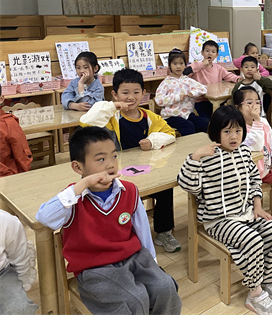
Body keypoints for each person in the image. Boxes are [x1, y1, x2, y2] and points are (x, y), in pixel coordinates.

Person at [36, 127, 181, 314]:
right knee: (134, 299)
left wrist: (153, 264)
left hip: (134, 257)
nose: (111, 164)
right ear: (78, 167)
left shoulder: (129, 190)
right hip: (94, 268)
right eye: (101, 159)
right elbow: (44, 217)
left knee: (165, 287)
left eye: (114, 156)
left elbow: (143, 230)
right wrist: (83, 184)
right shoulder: (73, 197)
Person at [178, 106, 272, 315]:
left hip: (246, 213)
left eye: (238, 131)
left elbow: (255, 180)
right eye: (227, 131)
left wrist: (257, 205)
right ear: (216, 132)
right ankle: (255, 293)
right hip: (219, 220)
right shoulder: (206, 157)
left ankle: (268, 280)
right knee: (252, 240)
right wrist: (195, 156)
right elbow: (188, 185)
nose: (233, 136)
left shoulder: (244, 153)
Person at [80, 68, 181, 253]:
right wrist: (112, 107)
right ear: (115, 94)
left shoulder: (149, 117)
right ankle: (127, 235)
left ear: (144, 93)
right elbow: (86, 122)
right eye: (125, 92)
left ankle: (164, 231)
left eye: (136, 92)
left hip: (145, 169)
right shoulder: (112, 117)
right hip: (118, 173)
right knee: (124, 196)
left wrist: (153, 141)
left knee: (165, 188)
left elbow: (170, 133)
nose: (131, 97)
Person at [235, 87, 272, 235]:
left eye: (257, 102)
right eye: (249, 103)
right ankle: (251, 217)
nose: (254, 106)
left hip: (266, 168)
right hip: (247, 175)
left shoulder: (263, 121)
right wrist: (256, 121)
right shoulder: (237, 128)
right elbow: (255, 145)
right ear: (238, 107)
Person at [185, 40, 242, 131]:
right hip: (201, 101)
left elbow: (228, 76)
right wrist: (201, 64)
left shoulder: (218, 68)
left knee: (225, 118)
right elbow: (185, 73)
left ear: (216, 55)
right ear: (202, 52)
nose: (210, 53)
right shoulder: (197, 66)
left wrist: (237, 79)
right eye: (207, 51)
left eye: (213, 52)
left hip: (217, 99)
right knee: (206, 121)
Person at [154, 48, 208, 136]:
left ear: (185, 65)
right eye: (175, 63)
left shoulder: (187, 80)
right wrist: (177, 97)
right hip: (171, 116)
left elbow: (203, 88)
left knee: (203, 123)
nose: (178, 66)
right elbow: (159, 100)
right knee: (188, 126)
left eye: (181, 63)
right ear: (169, 65)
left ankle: (201, 143)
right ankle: (190, 144)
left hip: (186, 114)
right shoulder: (166, 82)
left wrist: (193, 93)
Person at [0, 210, 38, 315]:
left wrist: (23, 286)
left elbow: (20, 258)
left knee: (19, 308)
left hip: (2, 273)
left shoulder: (5, 221)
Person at [0, 85, 33, 176]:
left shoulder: (9, 124)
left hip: (7, 176)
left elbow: (21, 155)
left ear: (1, 99)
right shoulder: (8, 123)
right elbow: (22, 158)